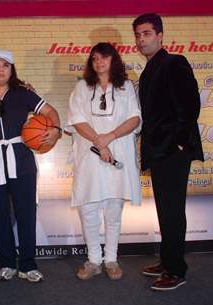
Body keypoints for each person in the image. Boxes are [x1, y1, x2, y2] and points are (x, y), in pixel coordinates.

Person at [133, 13, 204, 291]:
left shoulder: (174, 62)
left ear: (160, 36)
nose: (141, 39)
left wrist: (179, 143)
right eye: (138, 34)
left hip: (173, 151)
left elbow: (190, 106)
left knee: (173, 211)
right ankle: (166, 260)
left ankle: (176, 270)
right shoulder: (150, 69)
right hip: (159, 151)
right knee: (165, 208)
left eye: (147, 33)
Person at [0, 50, 61, 282]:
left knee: (26, 213)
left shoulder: (24, 93)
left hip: (22, 157)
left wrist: (55, 129)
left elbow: (50, 111)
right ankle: (6, 263)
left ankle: (27, 265)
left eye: (6, 65)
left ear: (12, 69)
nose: (0, 69)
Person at [66, 42, 142, 281]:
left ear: (114, 60)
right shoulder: (81, 87)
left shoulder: (126, 87)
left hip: (117, 152)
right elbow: (76, 120)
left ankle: (111, 258)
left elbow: (134, 118)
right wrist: (99, 141)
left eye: (104, 58)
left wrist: (109, 138)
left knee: (113, 209)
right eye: (95, 58)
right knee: (88, 209)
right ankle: (93, 260)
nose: (99, 62)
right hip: (89, 156)